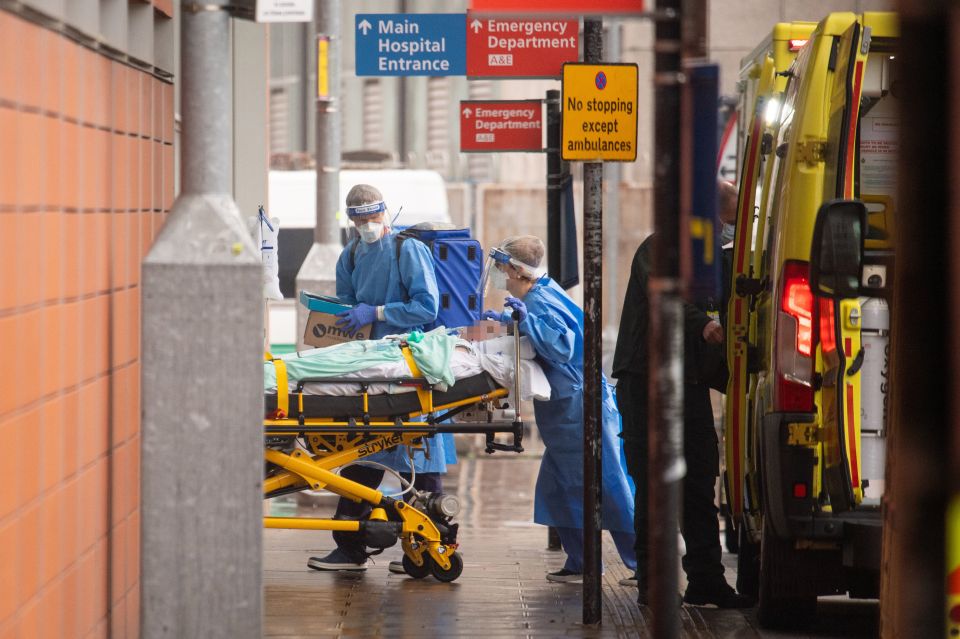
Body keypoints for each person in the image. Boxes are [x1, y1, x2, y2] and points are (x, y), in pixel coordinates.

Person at [612, 197, 753, 607]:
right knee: (655, 485)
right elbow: (665, 298)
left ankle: (706, 581)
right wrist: (705, 324)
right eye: (726, 223)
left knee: (698, 481)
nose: (728, 234)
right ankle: (653, 585)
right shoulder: (660, 249)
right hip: (647, 382)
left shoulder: (714, 261)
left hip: (689, 383)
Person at [308, 184, 454, 573]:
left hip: (407, 365)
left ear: (384, 214)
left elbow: (426, 305)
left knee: (420, 457)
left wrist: (375, 313)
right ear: (351, 221)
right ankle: (351, 547)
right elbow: (344, 310)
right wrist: (329, 317)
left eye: (372, 218)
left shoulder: (408, 251)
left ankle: (430, 548)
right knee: (363, 452)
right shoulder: (352, 253)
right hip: (369, 368)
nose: (367, 226)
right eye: (359, 220)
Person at [481, 236, 637, 583]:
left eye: (505, 271)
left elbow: (562, 347)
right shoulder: (540, 293)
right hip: (567, 409)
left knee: (608, 485)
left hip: (580, 407)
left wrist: (527, 322)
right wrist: (512, 324)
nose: (502, 278)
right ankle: (580, 559)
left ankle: (643, 563)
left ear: (520, 272)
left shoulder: (540, 301)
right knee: (560, 487)